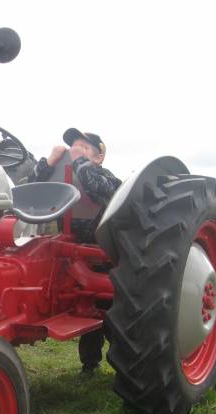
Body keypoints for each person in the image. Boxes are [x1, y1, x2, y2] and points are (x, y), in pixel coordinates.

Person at [35, 128, 122, 374]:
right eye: (73, 146)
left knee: (110, 311)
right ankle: (89, 364)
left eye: (83, 148)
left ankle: (123, 362)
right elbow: (33, 191)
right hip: (71, 253)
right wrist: (47, 163)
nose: (75, 150)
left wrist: (78, 161)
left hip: (103, 255)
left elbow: (97, 188)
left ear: (99, 157)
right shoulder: (62, 179)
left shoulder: (109, 179)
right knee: (87, 311)